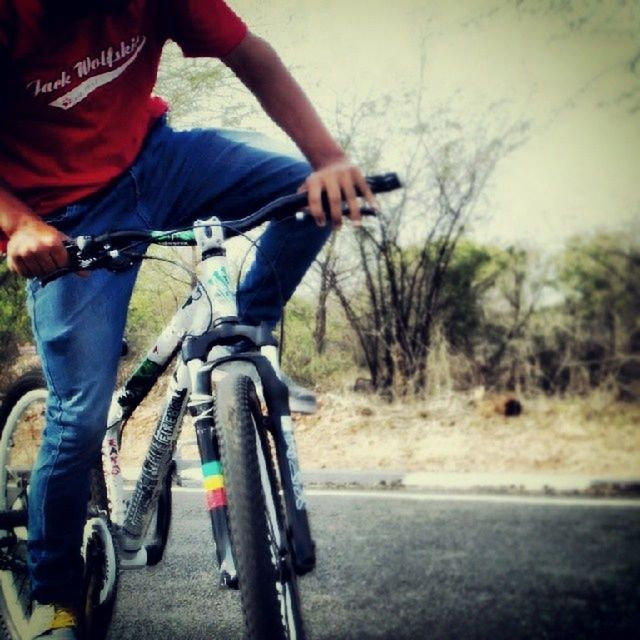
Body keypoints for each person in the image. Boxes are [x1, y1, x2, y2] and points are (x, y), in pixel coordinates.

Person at [0, 1, 375, 638]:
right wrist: (16, 223)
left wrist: (328, 157)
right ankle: (52, 597)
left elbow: (250, 53)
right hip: (64, 213)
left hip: (159, 159)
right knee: (81, 412)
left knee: (302, 191)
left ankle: (246, 335)